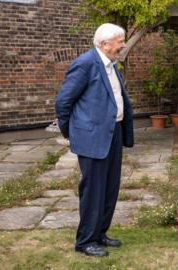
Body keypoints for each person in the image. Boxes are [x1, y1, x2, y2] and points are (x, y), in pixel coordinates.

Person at [55, 23, 134, 257]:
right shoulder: (85, 63)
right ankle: (85, 241)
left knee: (110, 188)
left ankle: (99, 233)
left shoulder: (111, 64)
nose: (122, 45)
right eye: (119, 41)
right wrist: (71, 132)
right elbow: (63, 102)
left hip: (113, 133)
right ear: (104, 44)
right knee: (93, 191)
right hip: (92, 137)